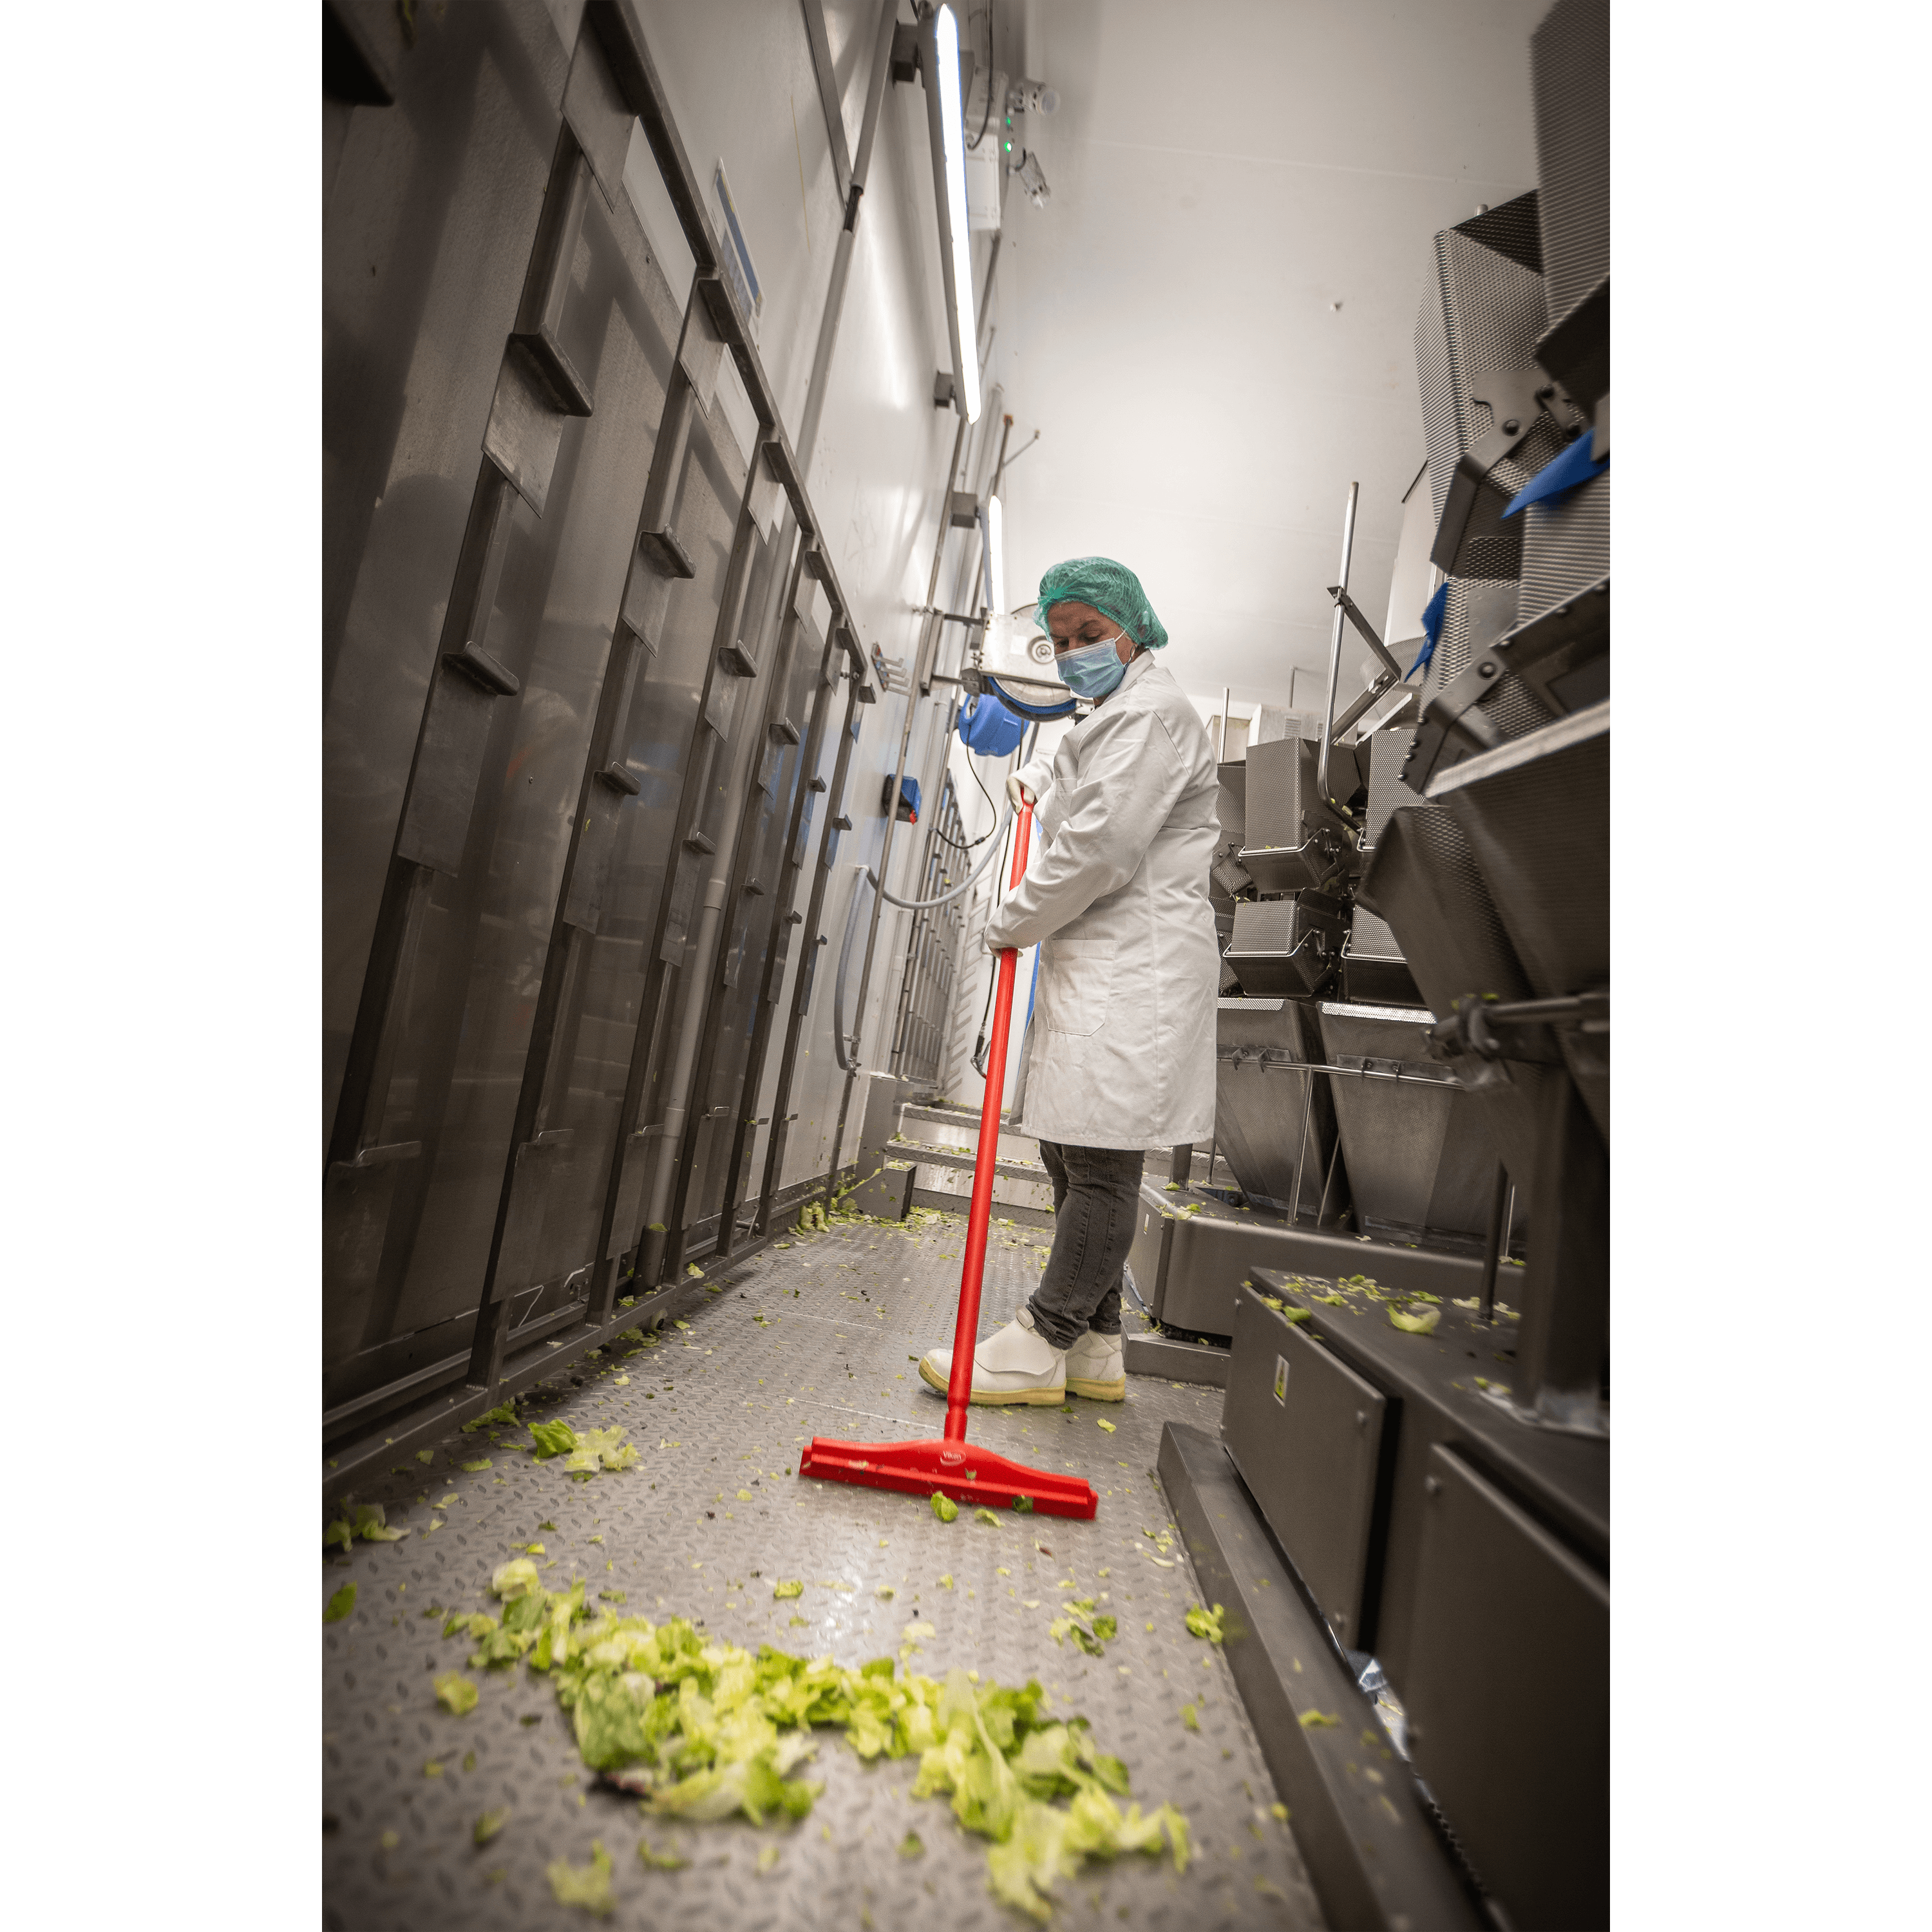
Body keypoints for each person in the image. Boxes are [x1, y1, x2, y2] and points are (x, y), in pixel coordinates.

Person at [920, 558, 1218, 1406]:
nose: (1075, 652)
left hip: (1138, 969)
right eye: (1060, 642)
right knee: (1068, 1144)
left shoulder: (1152, 715)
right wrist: (1040, 778)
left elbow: (1104, 846)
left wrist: (1012, 917)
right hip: (1108, 962)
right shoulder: (1123, 712)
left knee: (1096, 1164)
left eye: (1090, 634)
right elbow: (1091, 790)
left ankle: (1043, 1339)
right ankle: (1095, 1349)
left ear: (1135, 626)